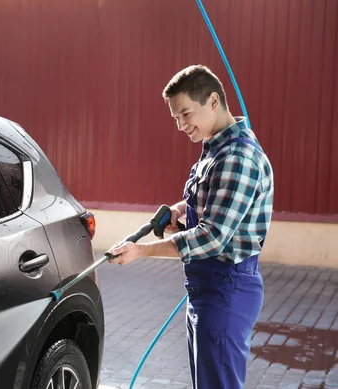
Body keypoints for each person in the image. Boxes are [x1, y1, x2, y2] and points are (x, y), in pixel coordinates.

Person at [108, 64, 274, 389]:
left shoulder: (237, 158)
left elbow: (212, 237)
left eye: (185, 114)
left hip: (225, 290)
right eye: (175, 118)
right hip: (205, 290)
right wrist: (181, 210)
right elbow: (215, 200)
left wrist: (140, 251)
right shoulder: (217, 149)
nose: (181, 125)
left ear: (213, 101)